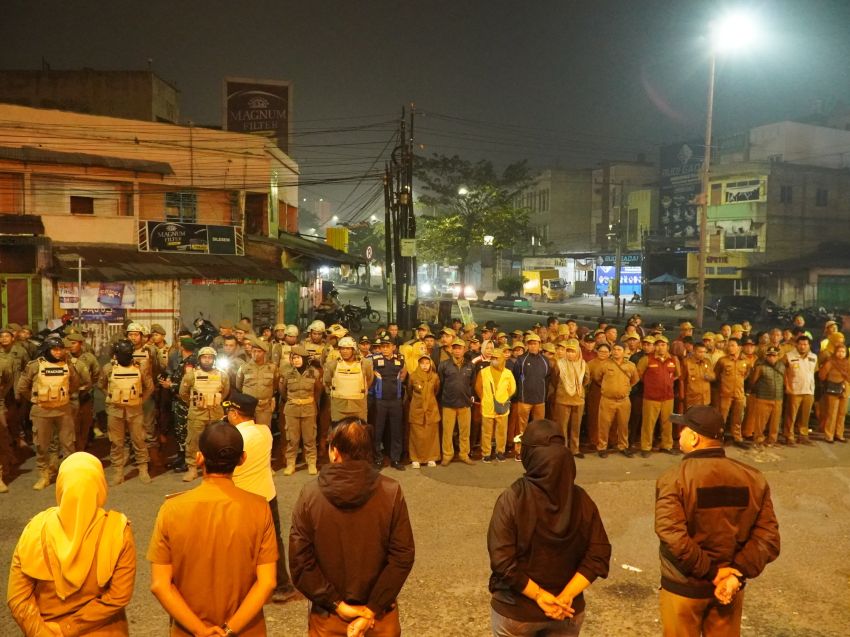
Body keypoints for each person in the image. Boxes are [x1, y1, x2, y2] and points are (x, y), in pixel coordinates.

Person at [655, 405, 781, 636]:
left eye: (682, 430)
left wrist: (712, 573)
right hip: (730, 586)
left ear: (694, 438)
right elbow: (768, 537)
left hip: (685, 589)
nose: (679, 434)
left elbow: (672, 535)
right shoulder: (753, 478)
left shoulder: (674, 479)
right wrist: (736, 573)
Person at [148, 422, 278, 637]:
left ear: (199, 458)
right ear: (242, 459)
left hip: (188, 630)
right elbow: (267, 582)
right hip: (245, 630)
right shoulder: (259, 508)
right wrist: (228, 629)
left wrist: (200, 630)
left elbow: (160, 585)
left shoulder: (172, 509)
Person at [289, 417, 415, 636]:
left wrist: (337, 604)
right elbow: (402, 556)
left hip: (328, 619)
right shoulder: (391, 491)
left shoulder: (310, 495)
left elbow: (300, 562)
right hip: (380, 620)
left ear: (334, 452)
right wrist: (371, 609)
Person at [487, 419, 611, 636]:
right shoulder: (581, 499)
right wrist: (566, 595)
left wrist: (540, 596)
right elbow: (598, 554)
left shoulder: (512, 499)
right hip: (567, 610)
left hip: (517, 612)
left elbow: (502, 561)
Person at [7, 452, 135, 636]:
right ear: (101, 486)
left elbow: (17, 598)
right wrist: (67, 628)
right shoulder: (118, 531)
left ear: (60, 487)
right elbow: (119, 596)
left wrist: (43, 633)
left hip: (45, 627)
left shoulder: (35, 529)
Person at [224, 391, 299, 603]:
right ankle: (281, 585)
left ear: (235, 413)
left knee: (242, 544)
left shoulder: (235, 437)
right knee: (273, 541)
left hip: (243, 497)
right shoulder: (264, 431)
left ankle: (246, 588)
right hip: (267, 494)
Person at [16, 335, 81, 490]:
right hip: (42, 411)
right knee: (42, 445)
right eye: (55, 350)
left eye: (60, 349)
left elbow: (75, 383)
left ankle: (69, 476)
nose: (58, 353)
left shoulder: (68, 365)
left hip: (63, 409)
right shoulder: (34, 366)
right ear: (47, 350)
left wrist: (63, 395)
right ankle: (43, 475)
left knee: (68, 444)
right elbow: (22, 387)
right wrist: (36, 399)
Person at [99, 339, 156, 485]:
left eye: (127, 353)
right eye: (121, 353)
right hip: (115, 410)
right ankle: (118, 472)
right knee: (116, 442)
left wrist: (140, 401)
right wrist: (112, 396)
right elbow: (101, 384)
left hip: (135, 410)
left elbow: (149, 387)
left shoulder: (139, 368)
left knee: (139, 440)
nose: (124, 356)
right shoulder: (109, 368)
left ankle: (143, 469)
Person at [178, 346, 230, 482]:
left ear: (214, 359)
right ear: (199, 359)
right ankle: (193, 468)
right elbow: (183, 394)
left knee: (215, 442)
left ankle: (213, 468)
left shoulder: (222, 375)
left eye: (210, 357)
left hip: (215, 413)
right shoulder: (191, 375)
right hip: (197, 414)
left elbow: (225, 392)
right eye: (204, 357)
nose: (207, 360)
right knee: (193, 441)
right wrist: (195, 404)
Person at [279, 345, 323, 475]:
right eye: (293, 358)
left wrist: (310, 401)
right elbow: (282, 391)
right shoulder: (287, 373)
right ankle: (290, 464)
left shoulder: (313, 373)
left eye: (298, 358)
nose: (296, 360)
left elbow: (318, 391)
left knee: (310, 438)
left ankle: (311, 463)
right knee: (292, 439)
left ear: (304, 358)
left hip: (309, 409)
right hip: (291, 409)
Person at [476, 345, 517, 462]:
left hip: (502, 406)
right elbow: (478, 387)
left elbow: (512, 389)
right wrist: (484, 398)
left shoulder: (508, 373)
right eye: (492, 357)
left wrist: (504, 398)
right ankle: (486, 453)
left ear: (503, 359)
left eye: (497, 358)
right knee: (486, 431)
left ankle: (500, 451)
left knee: (501, 431)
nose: (494, 360)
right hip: (488, 406)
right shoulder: (483, 372)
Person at [438, 338, 475, 465]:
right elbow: (441, 383)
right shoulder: (444, 365)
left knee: (465, 432)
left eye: (459, 348)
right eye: (455, 348)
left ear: (464, 349)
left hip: (465, 404)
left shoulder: (470, 365)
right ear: (452, 349)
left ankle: (464, 454)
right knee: (447, 432)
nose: (457, 350)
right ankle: (447, 455)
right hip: (448, 404)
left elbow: (472, 383)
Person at [512, 334, 549, 458]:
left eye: (535, 343)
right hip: (524, 399)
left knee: (539, 427)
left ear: (540, 344)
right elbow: (517, 377)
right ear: (527, 345)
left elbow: (546, 378)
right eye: (530, 343)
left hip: (540, 400)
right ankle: (519, 451)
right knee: (522, 428)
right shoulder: (521, 360)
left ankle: (537, 450)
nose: (533, 346)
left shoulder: (545, 360)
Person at [407, 354, 441, 468]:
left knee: (431, 434)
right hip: (417, 409)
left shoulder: (435, 377)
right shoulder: (413, 376)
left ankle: (432, 457)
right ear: (419, 364)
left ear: (430, 364)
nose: (425, 366)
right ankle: (415, 458)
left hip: (431, 409)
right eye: (422, 363)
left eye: (427, 363)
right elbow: (409, 391)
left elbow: (436, 391)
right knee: (416, 435)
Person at [783, 335, 818, 446]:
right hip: (794, 390)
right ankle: (789, 436)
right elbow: (783, 373)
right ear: (796, 345)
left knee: (805, 416)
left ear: (809, 345)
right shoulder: (788, 356)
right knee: (791, 416)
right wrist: (787, 386)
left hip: (809, 391)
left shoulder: (814, 357)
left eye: (805, 344)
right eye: (801, 344)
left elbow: (814, 372)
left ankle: (803, 436)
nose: (803, 346)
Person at [817, 342, 850, 443]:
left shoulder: (848, 363)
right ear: (835, 352)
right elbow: (821, 375)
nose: (841, 353)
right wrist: (831, 380)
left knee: (842, 413)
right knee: (832, 413)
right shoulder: (830, 362)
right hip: (833, 390)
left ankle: (839, 434)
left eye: (843, 351)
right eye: (839, 351)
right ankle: (829, 435)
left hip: (845, 389)